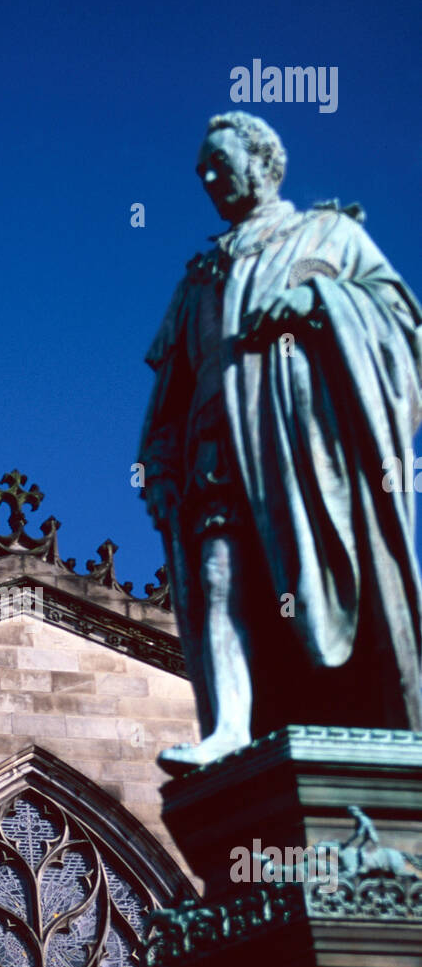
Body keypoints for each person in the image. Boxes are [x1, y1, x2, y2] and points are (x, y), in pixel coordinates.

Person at [138, 112, 422, 772]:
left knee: (304, 584)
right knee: (218, 577)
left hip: (304, 455)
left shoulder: (327, 234)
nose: (208, 178)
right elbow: (170, 391)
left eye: (219, 162)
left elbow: (402, 327)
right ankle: (231, 727)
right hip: (216, 449)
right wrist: (157, 462)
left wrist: (318, 300)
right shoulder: (199, 275)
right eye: (200, 170)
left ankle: (341, 711)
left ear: (264, 164)